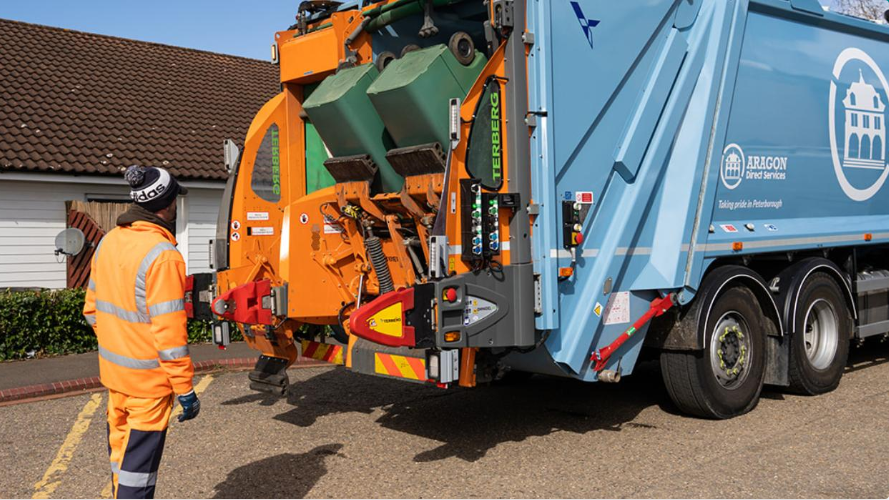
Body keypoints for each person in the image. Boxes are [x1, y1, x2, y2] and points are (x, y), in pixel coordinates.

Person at [83, 165, 200, 499]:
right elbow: (169, 337)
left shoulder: (109, 241)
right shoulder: (164, 256)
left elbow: (92, 310)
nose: (177, 206)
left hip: (115, 379)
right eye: (175, 199)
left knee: (121, 463)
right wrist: (186, 389)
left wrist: (120, 344)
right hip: (148, 388)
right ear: (165, 204)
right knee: (138, 475)